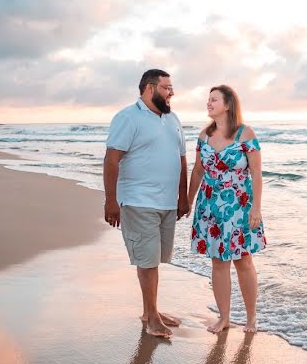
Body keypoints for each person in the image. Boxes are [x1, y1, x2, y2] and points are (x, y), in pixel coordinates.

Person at [103, 69, 189, 339]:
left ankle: (150, 310)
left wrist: (183, 197)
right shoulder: (128, 117)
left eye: (171, 87)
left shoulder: (173, 118)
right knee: (148, 260)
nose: (171, 92)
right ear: (150, 89)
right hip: (139, 200)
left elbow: (182, 159)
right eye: (167, 87)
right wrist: (111, 201)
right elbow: (111, 159)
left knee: (154, 259)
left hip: (167, 202)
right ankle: (152, 317)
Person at [187, 85, 266, 333]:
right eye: (208, 100)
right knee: (218, 261)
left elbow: (256, 173)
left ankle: (251, 318)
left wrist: (256, 208)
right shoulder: (204, 135)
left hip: (240, 205)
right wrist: (188, 201)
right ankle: (224, 318)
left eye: (214, 100)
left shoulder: (246, 134)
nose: (208, 103)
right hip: (209, 205)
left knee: (243, 260)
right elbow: (198, 170)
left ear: (228, 104)